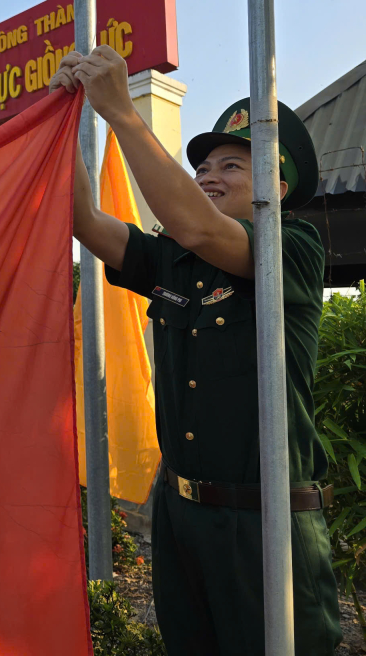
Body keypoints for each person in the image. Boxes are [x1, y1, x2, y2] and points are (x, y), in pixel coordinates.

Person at [54, 46, 342, 655]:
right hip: (181, 518)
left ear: (278, 188)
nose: (209, 175)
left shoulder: (293, 247)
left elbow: (201, 228)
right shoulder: (175, 260)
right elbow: (82, 218)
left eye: (231, 166)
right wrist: (62, 115)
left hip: (264, 524)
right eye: (203, 166)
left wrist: (124, 117)